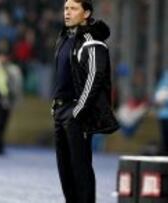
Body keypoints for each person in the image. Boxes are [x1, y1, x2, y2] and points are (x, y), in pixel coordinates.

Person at [51, 0, 119, 202]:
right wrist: (55, 104)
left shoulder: (92, 41)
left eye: (73, 9)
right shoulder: (64, 37)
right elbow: (62, 76)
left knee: (80, 170)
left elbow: (94, 76)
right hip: (61, 111)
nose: (67, 12)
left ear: (86, 12)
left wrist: (78, 111)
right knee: (65, 170)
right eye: (65, 8)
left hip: (76, 113)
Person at [154, 69, 168, 155]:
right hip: (164, 116)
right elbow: (157, 97)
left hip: (163, 115)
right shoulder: (165, 76)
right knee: (165, 141)